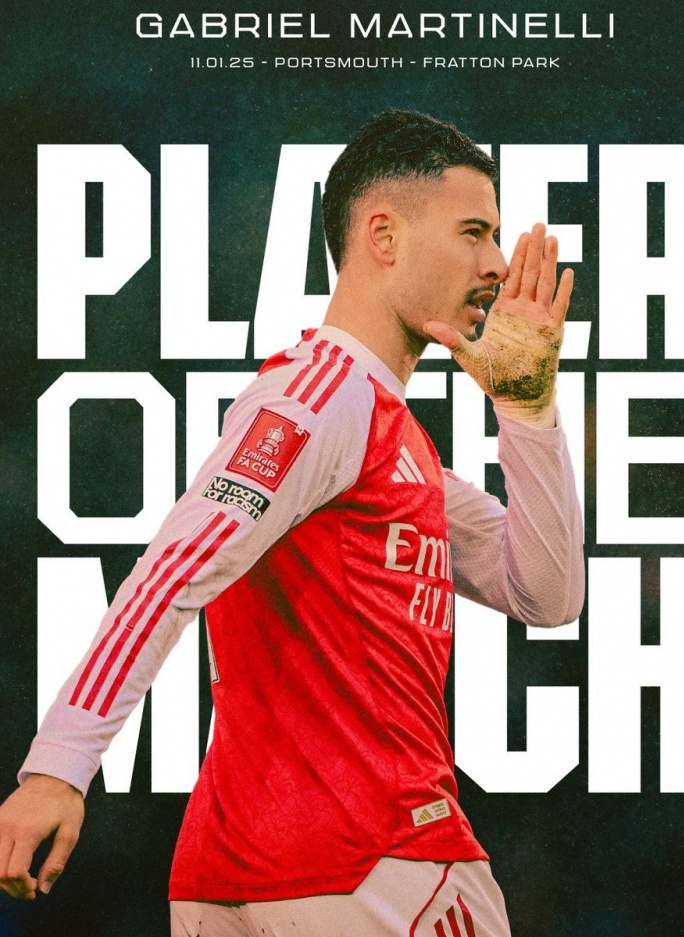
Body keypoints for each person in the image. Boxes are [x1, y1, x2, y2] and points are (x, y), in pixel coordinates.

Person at [0, 109, 584, 936]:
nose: (495, 262)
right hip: (380, 862)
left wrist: (527, 410)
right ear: (383, 235)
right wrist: (59, 763)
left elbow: (546, 592)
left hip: (239, 875)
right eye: (474, 231)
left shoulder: (391, 440)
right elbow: (174, 569)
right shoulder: (321, 398)